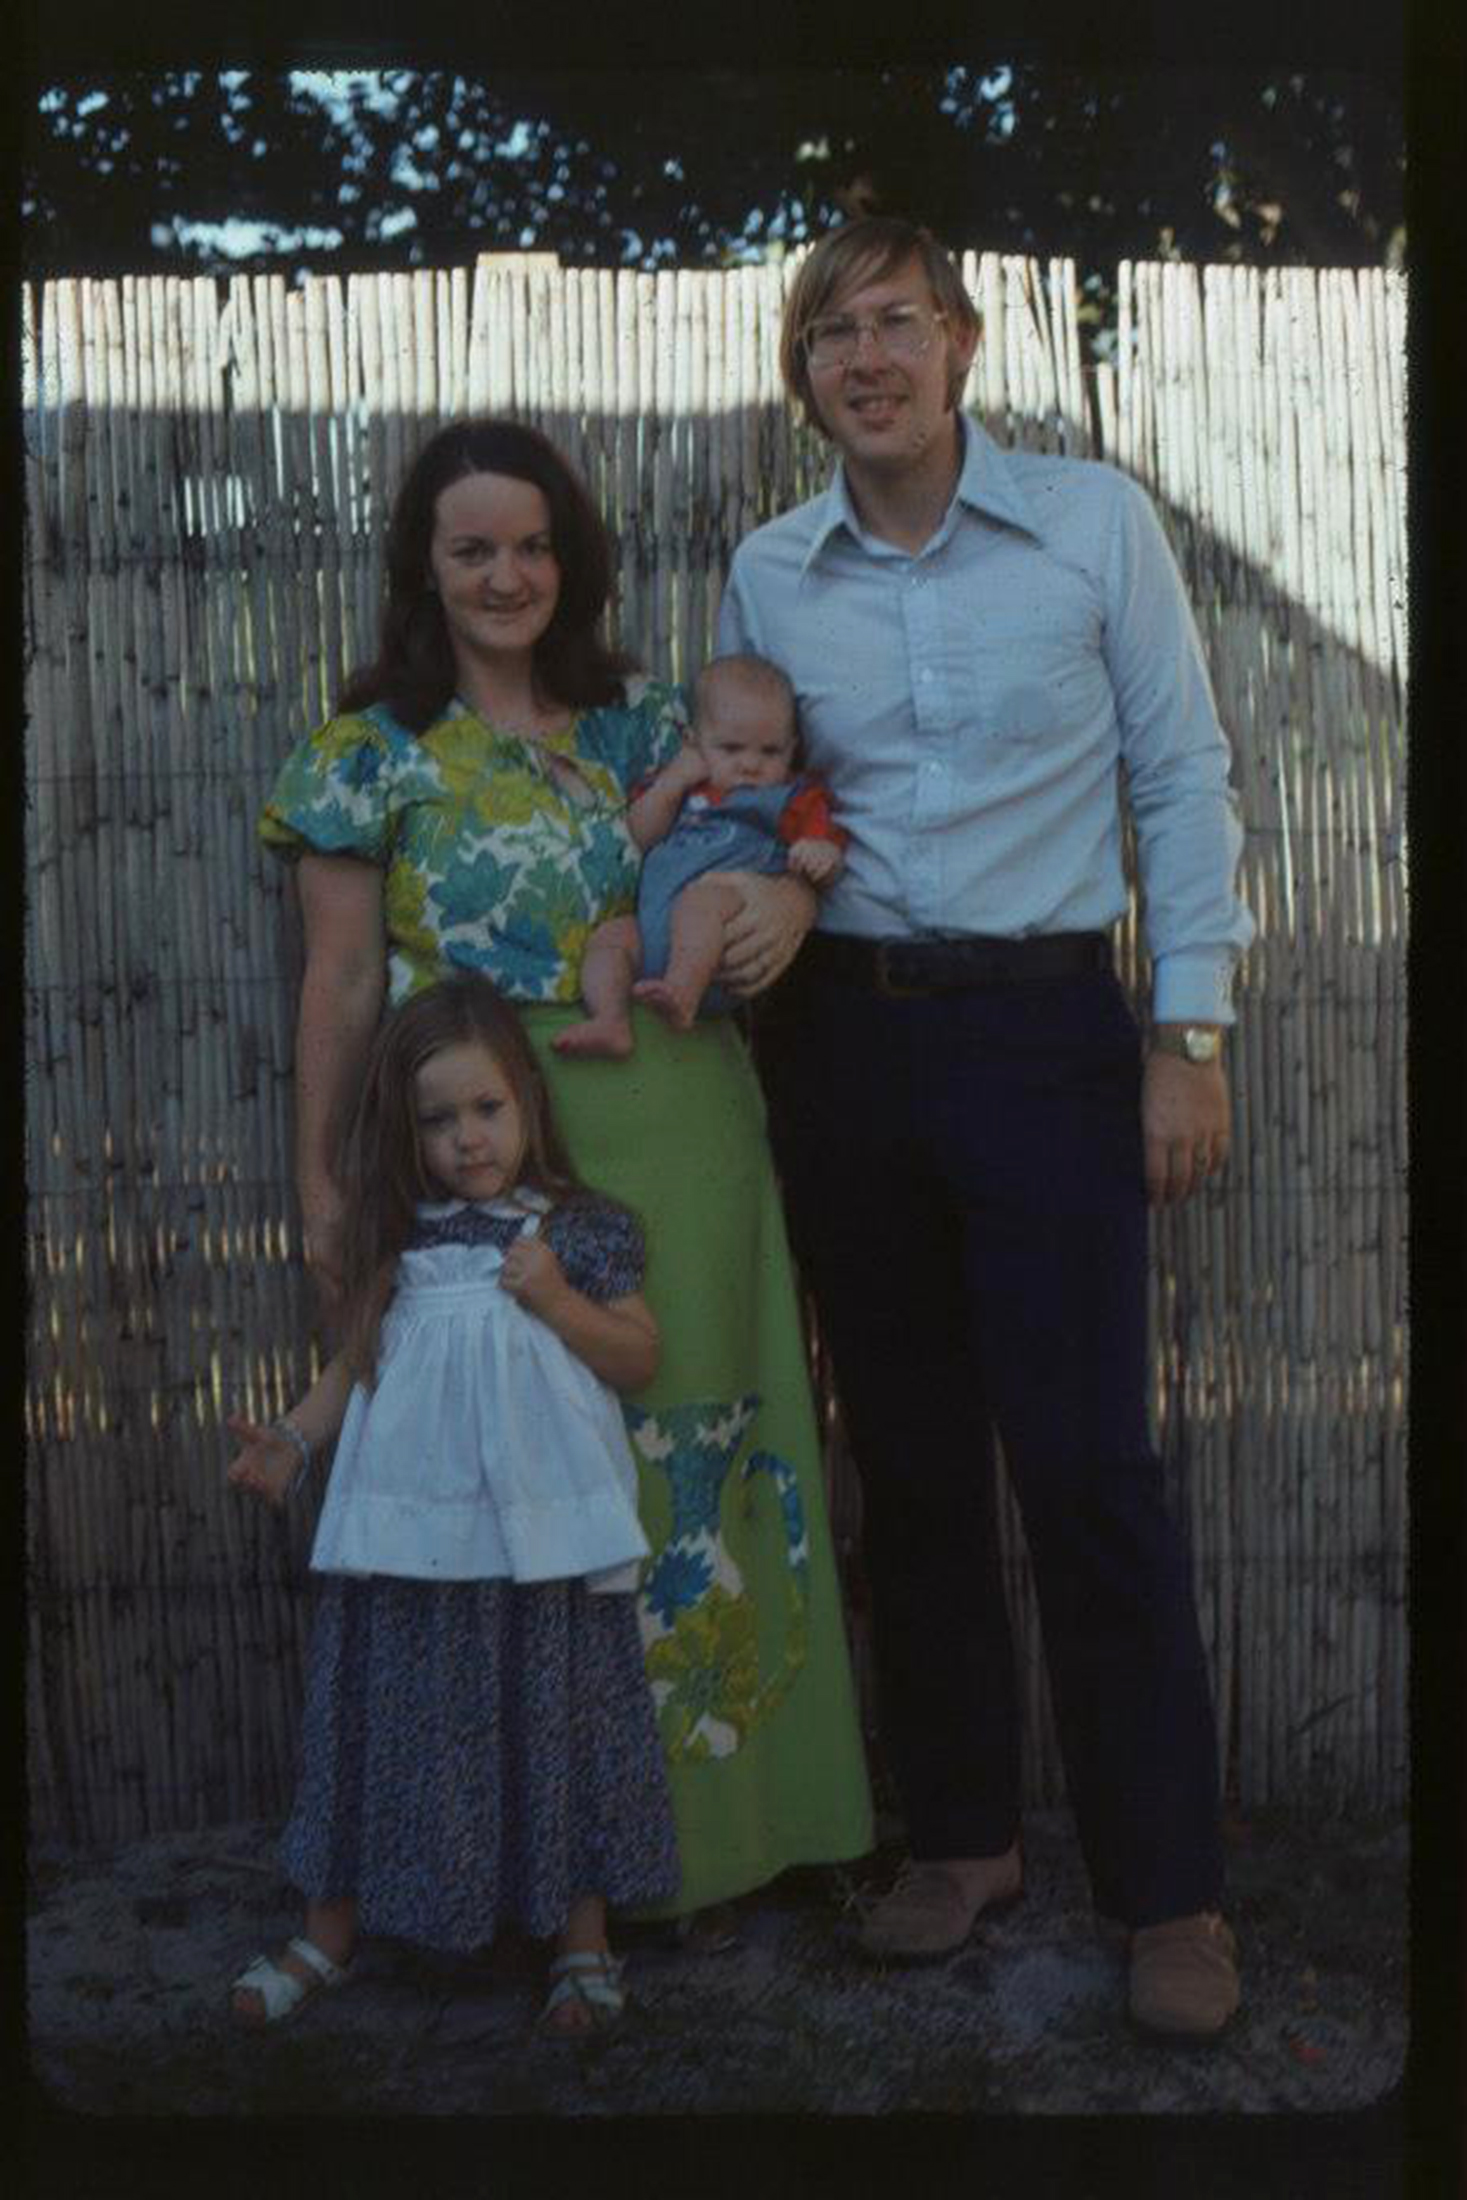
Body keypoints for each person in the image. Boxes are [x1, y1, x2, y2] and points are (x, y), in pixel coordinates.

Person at [717, 216, 1255, 2038]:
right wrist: (765, 885)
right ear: (802, 382)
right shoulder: (768, 573)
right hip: (844, 1049)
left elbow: (1179, 776)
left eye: (891, 322)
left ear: (959, 343)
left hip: (1047, 1038)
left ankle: (1165, 1891)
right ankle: (960, 1839)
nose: (860, 359)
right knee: (917, 1467)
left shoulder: (1094, 525)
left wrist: (1183, 1031)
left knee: (1092, 1470)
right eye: (825, 336)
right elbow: (760, 790)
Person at [258, 417, 872, 1939]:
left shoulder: (643, 723)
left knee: (695, 1474)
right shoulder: (362, 756)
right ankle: (530, 1864)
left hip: (682, 1122)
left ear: (568, 560)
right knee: (521, 1504)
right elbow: (340, 987)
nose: (506, 573)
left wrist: (762, 903)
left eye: (532, 544)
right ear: (423, 566)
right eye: (471, 546)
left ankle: (724, 1840)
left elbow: (754, 849)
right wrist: (328, 1195)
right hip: (478, 1151)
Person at [226, 976, 677, 2034]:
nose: (469, 1140)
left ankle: (580, 1942)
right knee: (383, 1713)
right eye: (439, 1120)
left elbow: (642, 1355)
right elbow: (360, 1363)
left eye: (487, 1110)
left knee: (562, 1714)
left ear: (526, 1099)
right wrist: (294, 1440)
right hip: (412, 1532)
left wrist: (558, 1299)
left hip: (543, 1536)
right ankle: (328, 1932)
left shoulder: (579, 1230)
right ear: (409, 1131)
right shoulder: (403, 1241)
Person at [553, 652, 846, 1056]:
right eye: (731, 748)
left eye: (770, 752)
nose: (750, 765)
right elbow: (636, 838)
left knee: (699, 901)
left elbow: (828, 857)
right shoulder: (678, 785)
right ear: (693, 741)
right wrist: (672, 784)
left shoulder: (790, 798)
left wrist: (820, 854)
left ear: (792, 748)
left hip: (727, 938)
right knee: (611, 936)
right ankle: (610, 1019)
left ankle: (682, 994)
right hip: (651, 930)